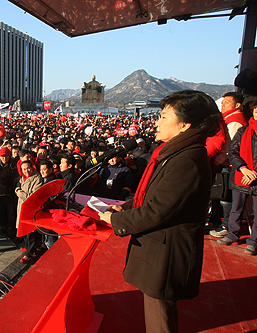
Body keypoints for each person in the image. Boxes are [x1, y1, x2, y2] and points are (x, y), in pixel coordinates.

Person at [98, 90, 221, 332]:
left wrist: (117, 219)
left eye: (164, 117)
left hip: (167, 253)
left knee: (160, 320)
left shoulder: (186, 160)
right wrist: (124, 207)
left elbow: (158, 210)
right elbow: (155, 194)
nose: (157, 122)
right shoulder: (174, 152)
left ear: (184, 125)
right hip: (160, 248)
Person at [218, 100, 257, 255]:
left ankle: (253, 242)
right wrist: (243, 168)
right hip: (241, 175)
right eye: (255, 111)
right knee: (236, 208)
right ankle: (232, 234)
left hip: (253, 176)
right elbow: (233, 152)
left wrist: (254, 173)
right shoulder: (244, 131)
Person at [16, 160, 43, 263]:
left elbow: (34, 197)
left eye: (28, 168)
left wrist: (21, 195)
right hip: (22, 207)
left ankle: (29, 253)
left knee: (31, 231)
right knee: (25, 230)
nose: (26, 171)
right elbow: (18, 186)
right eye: (24, 169)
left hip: (31, 209)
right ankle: (28, 248)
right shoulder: (22, 178)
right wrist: (17, 190)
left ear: (32, 168)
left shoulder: (37, 179)